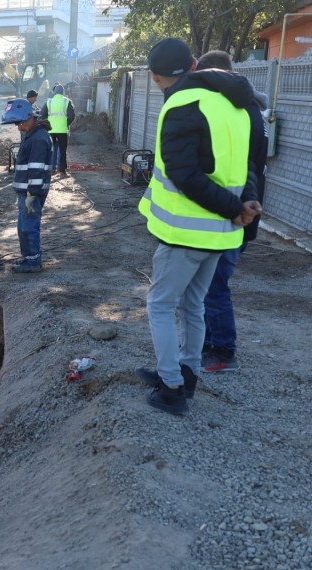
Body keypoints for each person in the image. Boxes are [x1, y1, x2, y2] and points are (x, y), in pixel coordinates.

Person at [135, 38, 262, 415]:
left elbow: (185, 174)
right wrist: (242, 205)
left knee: (159, 305)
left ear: (157, 76)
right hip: (219, 233)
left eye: (157, 82)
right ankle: (185, 373)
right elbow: (248, 166)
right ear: (193, 64)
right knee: (193, 304)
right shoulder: (234, 105)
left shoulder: (181, 104)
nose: (160, 89)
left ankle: (172, 387)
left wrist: (234, 208)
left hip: (185, 232)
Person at [195, 50, 269, 373]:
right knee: (212, 282)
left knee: (214, 284)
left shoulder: (242, 112)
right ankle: (211, 343)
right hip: (242, 210)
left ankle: (224, 351)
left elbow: (243, 168)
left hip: (237, 212)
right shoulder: (253, 110)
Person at [0, 98, 53, 273]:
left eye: (21, 123)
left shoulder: (38, 138)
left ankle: (33, 262)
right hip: (27, 191)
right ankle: (29, 258)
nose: (19, 127)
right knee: (23, 226)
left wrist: (32, 194)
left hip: (32, 192)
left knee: (28, 226)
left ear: (31, 118)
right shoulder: (31, 134)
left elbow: (36, 170)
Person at [41, 84, 75, 176]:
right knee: (62, 150)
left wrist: (47, 125)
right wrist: (65, 123)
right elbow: (72, 116)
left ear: (54, 92)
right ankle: (62, 170)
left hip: (51, 130)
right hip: (62, 130)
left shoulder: (48, 102)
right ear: (63, 93)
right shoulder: (67, 102)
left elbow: (42, 115)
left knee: (51, 149)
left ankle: (52, 169)